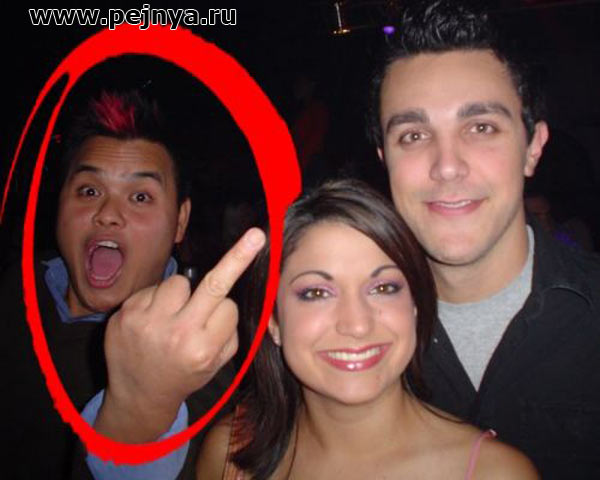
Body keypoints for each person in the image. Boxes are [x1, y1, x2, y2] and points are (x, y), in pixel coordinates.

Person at [367, 1, 600, 478]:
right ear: (384, 159)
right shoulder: (346, 335)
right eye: (413, 135)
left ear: (533, 147)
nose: (447, 166)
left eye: (481, 127)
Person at [1, 90, 265, 480]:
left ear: (180, 222)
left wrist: (144, 409)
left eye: (140, 197)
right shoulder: (15, 285)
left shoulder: (197, 362)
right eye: (89, 191)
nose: (108, 214)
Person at [195, 179, 538, 479]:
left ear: (415, 306)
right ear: (274, 322)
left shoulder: (495, 473)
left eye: (383, 288)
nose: (357, 324)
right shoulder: (230, 456)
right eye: (316, 293)